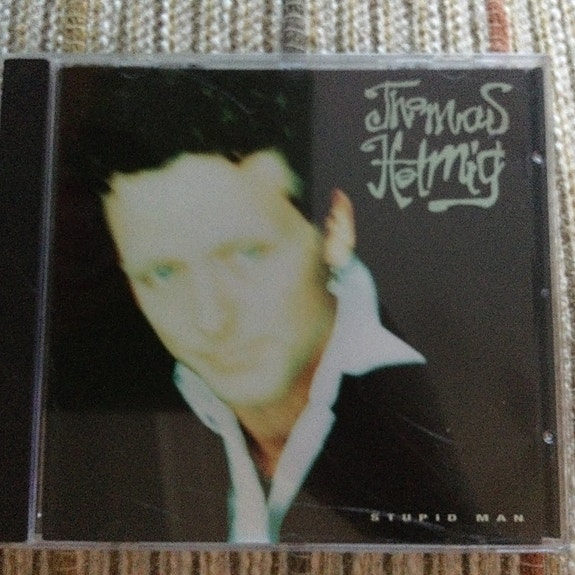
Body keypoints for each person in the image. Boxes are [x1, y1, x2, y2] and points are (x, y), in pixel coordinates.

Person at [44, 67, 474, 544]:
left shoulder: (467, 399)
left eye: (247, 254)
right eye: (161, 273)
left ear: (334, 228)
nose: (210, 319)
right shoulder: (72, 420)